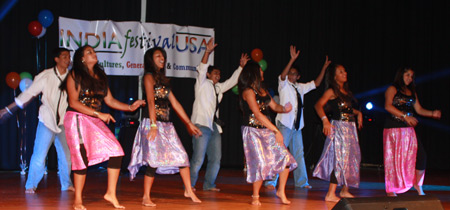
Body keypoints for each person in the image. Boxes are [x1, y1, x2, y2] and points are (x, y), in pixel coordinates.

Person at [63, 45, 145, 210]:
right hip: (77, 118)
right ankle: (78, 199)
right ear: (82, 59)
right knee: (81, 157)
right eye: (89, 52)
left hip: (94, 119)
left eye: (93, 51)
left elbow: (110, 101)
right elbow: (73, 102)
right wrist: (98, 114)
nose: (93, 54)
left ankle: (111, 193)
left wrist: (130, 107)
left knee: (117, 151)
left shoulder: (100, 76)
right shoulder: (75, 74)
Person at [128, 47, 202, 206]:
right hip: (152, 123)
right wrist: (153, 125)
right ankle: (146, 196)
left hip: (167, 125)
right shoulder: (148, 77)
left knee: (182, 156)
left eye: (163, 56)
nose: (162, 58)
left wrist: (189, 123)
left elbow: (175, 103)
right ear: (150, 59)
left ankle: (188, 190)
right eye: (158, 56)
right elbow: (150, 100)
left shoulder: (163, 81)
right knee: (153, 161)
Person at [0, 48, 74, 194]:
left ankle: (66, 184)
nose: (67, 59)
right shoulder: (46, 76)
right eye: (64, 57)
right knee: (39, 155)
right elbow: (29, 93)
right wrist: (8, 109)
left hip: (63, 122)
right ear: (56, 59)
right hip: (47, 120)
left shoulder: (71, 77)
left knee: (66, 156)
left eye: (69, 57)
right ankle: (31, 184)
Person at [265, 46, 330, 190]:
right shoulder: (284, 85)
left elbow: (316, 84)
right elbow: (282, 76)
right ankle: (271, 181)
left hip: (297, 126)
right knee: (280, 152)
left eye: (294, 74)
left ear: (298, 76)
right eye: (290, 73)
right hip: (284, 124)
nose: (290, 75)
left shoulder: (300, 87)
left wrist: (324, 68)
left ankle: (301, 182)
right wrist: (292, 59)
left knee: (299, 154)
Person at [190, 38, 249, 191]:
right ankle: (189, 186)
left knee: (216, 158)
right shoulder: (202, 83)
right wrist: (207, 52)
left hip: (214, 126)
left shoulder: (218, 88)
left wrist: (241, 67)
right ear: (208, 74)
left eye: (219, 74)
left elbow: (231, 82)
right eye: (215, 73)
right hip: (201, 124)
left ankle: (209, 185)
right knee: (198, 159)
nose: (218, 75)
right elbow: (202, 68)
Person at [238, 60, 297, 206]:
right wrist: (276, 130)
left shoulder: (262, 90)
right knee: (259, 163)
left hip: (266, 129)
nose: (263, 72)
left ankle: (281, 191)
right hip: (252, 131)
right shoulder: (248, 91)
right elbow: (257, 114)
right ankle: (255, 196)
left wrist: (285, 109)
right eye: (260, 70)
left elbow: (275, 106)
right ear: (254, 73)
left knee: (285, 158)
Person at [383, 67, 441, 196]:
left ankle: (418, 185)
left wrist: (432, 113)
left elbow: (419, 110)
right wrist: (405, 116)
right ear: (401, 75)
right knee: (394, 160)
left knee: (421, 156)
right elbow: (388, 106)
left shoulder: (412, 92)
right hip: (393, 129)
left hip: (408, 131)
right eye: (407, 75)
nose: (409, 78)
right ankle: (391, 190)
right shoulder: (392, 89)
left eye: (412, 76)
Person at [313, 64, 363, 202]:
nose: (345, 73)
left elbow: (348, 110)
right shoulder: (331, 91)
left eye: (345, 70)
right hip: (339, 127)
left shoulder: (346, 92)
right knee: (339, 159)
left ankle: (345, 190)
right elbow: (318, 105)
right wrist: (325, 121)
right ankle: (330, 193)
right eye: (341, 72)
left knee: (352, 158)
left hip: (350, 128)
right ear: (334, 77)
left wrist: (358, 113)